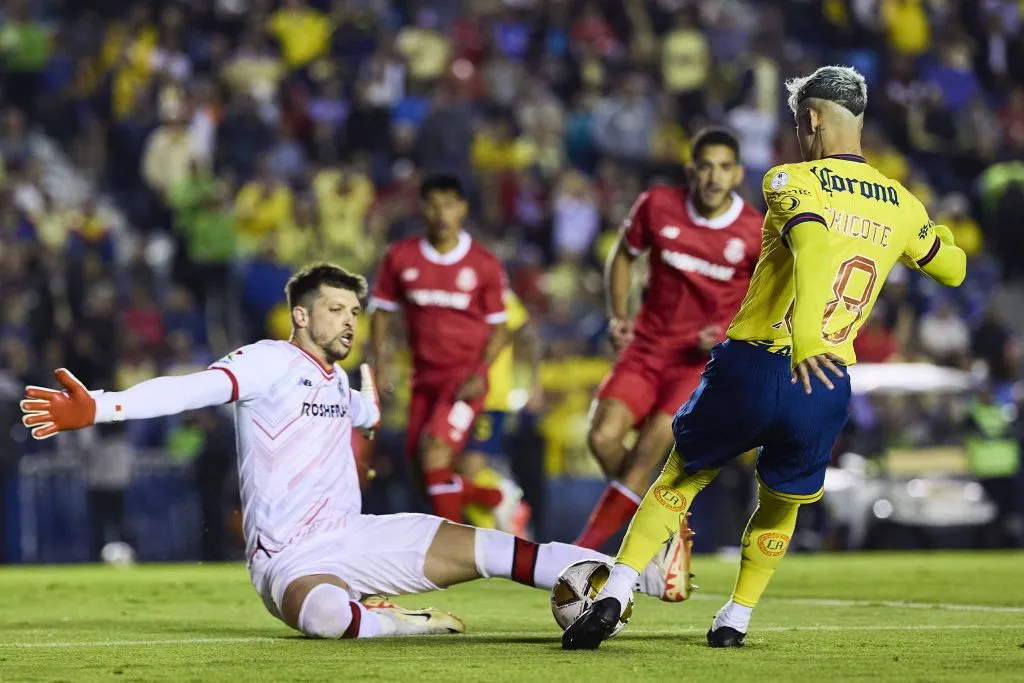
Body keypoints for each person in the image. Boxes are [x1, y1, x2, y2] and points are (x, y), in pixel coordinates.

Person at [20, 263, 690, 640]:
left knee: (493, 548)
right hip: (289, 559)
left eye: (353, 311)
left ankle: (640, 575)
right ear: (302, 315)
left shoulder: (339, 381)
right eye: (335, 309)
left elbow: (360, 411)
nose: (348, 320)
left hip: (356, 536)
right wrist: (102, 405)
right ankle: (401, 621)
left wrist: (367, 406)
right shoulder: (268, 361)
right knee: (322, 616)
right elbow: (192, 387)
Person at [561, 65, 967, 650]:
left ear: (811, 120)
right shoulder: (901, 204)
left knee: (681, 475)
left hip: (758, 363)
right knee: (782, 501)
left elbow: (815, 244)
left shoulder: (789, 181)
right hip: (827, 382)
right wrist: (936, 236)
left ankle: (618, 590)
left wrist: (804, 341)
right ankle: (736, 618)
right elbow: (952, 269)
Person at [576, 129, 762, 575]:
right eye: (706, 166)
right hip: (646, 348)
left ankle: (580, 550)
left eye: (724, 167)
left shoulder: (755, 231)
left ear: (737, 173)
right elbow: (623, 256)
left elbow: (771, 296)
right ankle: (668, 528)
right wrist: (617, 315)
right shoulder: (657, 205)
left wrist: (728, 333)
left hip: (700, 366)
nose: (714, 176)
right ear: (691, 171)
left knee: (645, 454)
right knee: (601, 438)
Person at [369, 174, 520, 528]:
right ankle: (496, 497)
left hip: (463, 379)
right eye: (433, 204)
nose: (441, 213)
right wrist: (382, 365)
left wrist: (479, 374)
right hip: (423, 379)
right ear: (421, 207)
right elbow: (381, 312)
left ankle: (455, 552)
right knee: (422, 475)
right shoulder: (400, 257)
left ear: (463, 209)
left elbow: (501, 327)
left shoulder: (483, 264)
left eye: (449, 205)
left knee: (434, 453)